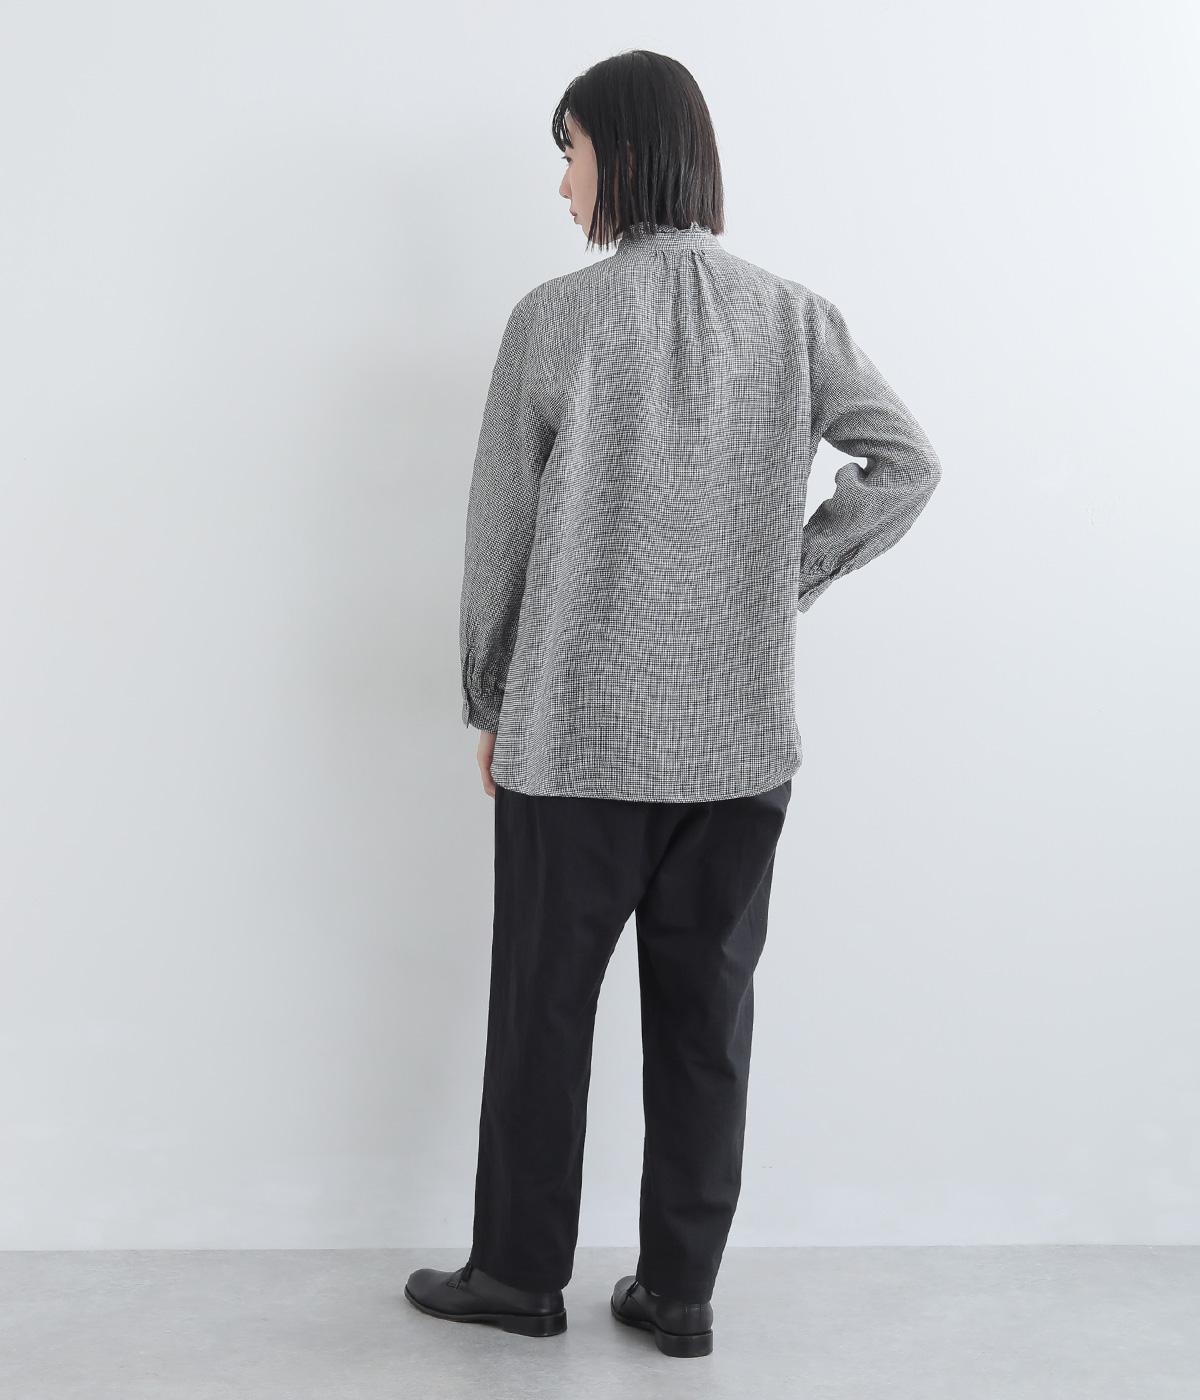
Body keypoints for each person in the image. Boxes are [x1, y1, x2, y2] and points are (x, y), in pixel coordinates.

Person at [406, 49, 942, 1359]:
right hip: (737, 742)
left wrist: (490, 695)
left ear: (628, 155)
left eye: (572, 152)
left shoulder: (554, 320)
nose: (563, 184)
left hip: (573, 742)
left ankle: (518, 1278)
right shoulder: (795, 317)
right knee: (707, 1024)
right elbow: (907, 464)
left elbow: (498, 536)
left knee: (542, 1018)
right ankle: (681, 1293)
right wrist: (780, 580)